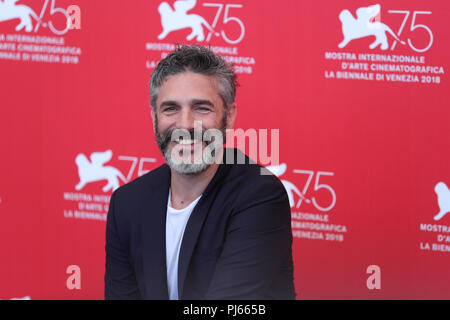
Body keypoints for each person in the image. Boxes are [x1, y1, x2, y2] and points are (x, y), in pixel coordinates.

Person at [105, 45, 295, 300]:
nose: (184, 124)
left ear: (228, 117)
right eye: (170, 108)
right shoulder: (127, 202)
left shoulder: (260, 195)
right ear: (154, 117)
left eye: (201, 108)